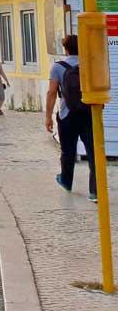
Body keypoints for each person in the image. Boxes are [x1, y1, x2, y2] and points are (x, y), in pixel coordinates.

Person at [46, 34, 97, 202]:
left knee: (67, 150)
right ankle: (95, 191)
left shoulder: (58, 67)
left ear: (65, 49)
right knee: (93, 151)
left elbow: (52, 92)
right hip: (89, 113)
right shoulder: (89, 64)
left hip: (67, 114)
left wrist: (48, 117)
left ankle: (67, 181)